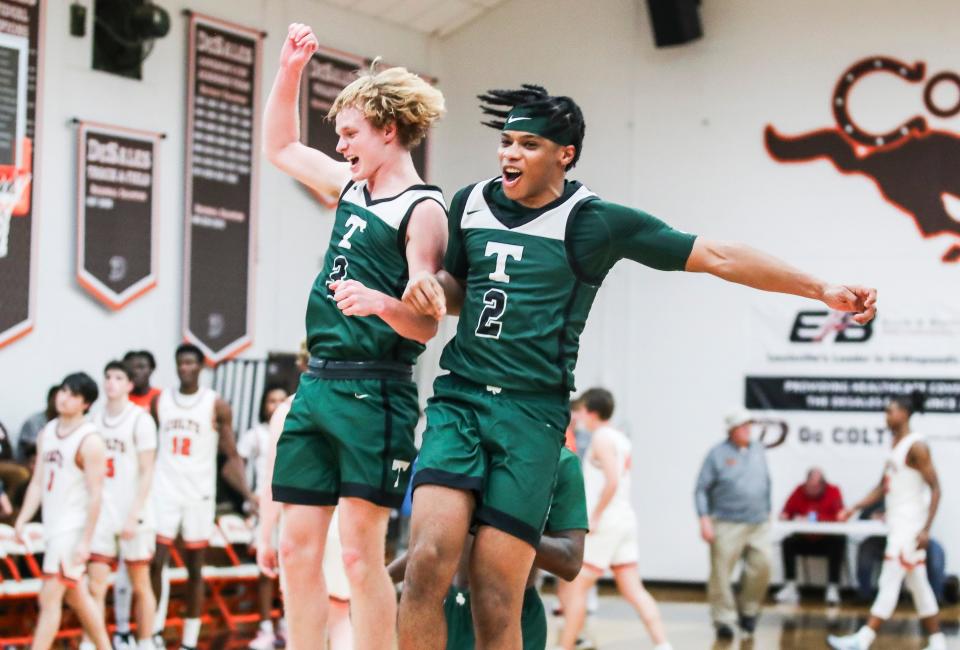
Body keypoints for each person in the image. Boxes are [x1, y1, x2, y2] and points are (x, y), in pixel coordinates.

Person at [400, 84, 876, 650]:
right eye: (505, 141)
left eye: (528, 144)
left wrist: (819, 287)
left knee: (497, 591)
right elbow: (460, 291)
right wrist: (428, 286)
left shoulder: (595, 221)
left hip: (533, 413)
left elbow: (718, 255)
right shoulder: (469, 202)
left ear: (564, 154)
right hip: (461, 399)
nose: (509, 154)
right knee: (426, 561)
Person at [263, 22, 447, 650]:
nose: (339, 146)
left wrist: (381, 303)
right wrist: (289, 69)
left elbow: (428, 316)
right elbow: (282, 147)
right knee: (293, 547)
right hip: (317, 385)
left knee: (361, 557)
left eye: (349, 134)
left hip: (377, 392)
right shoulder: (349, 188)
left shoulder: (423, 209)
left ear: (386, 130)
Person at [389, 446, 588, 650]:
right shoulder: (456, 444)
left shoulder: (560, 461)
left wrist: (499, 526)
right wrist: (380, 580)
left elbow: (570, 560)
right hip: (449, 609)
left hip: (515, 613)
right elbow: (429, 547)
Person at [149, 343, 256, 650]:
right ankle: (154, 630)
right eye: (180, 363)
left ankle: (190, 639)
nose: (185, 368)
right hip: (164, 489)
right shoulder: (161, 401)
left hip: (198, 492)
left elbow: (231, 452)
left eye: (191, 363)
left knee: (195, 566)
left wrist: (248, 493)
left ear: (201, 367)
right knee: (158, 562)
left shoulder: (215, 404)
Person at [828, 393, 946, 650]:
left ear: (903, 414)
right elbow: (883, 486)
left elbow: (936, 488)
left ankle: (863, 638)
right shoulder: (895, 444)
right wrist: (854, 507)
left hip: (910, 527)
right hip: (898, 523)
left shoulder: (917, 446)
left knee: (889, 580)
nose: (886, 416)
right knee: (919, 585)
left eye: (890, 411)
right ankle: (938, 642)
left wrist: (926, 529)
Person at [557, 389, 671, 650]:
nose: (580, 415)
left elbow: (612, 480)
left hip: (607, 520)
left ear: (592, 412)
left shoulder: (601, 438)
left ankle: (565, 646)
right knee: (633, 589)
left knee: (575, 589)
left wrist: (595, 516)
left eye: (583, 410)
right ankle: (663, 644)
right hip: (625, 518)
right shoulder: (620, 438)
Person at [14, 373, 111, 650]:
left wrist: (85, 541)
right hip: (53, 526)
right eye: (63, 391)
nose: (63, 397)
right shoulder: (48, 432)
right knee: (77, 596)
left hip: (73, 528)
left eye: (72, 394)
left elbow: (96, 495)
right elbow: (37, 483)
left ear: (86, 404)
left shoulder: (90, 440)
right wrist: (22, 518)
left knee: (49, 598)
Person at [257, 392, 353, 650]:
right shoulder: (358, 400)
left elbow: (271, 481)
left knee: (301, 625)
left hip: (302, 521)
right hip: (344, 519)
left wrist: (264, 536)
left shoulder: (290, 408)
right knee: (341, 618)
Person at [77, 362, 158, 650]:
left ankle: (146, 640)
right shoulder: (94, 421)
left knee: (140, 583)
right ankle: (94, 642)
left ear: (129, 385)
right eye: (108, 377)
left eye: (118, 377)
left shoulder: (140, 420)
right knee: (95, 586)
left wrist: (135, 512)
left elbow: (148, 470)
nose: (111, 382)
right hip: (102, 511)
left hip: (133, 512)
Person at [694, 410, 771, 641]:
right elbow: (701, 489)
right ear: (731, 430)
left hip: (758, 523)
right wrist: (704, 519)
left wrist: (768, 510)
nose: (748, 429)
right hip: (727, 522)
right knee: (721, 574)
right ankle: (724, 620)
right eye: (743, 425)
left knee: (762, 566)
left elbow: (767, 481)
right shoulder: (717, 454)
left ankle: (749, 611)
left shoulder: (758, 450)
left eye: (749, 425)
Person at [239, 384, 289, 650]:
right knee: (265, 569)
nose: (276, 405)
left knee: (288, 569)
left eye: (281, 399)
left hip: (289, 505)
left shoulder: (293, 428)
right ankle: (265, 626)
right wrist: (248, 498)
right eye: (271, 400)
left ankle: (285, 622)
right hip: (263, 506)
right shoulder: (255, 435)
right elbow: (237, 466)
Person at [774, 467, 845, 605]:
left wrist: (818, 518)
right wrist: (785, 516)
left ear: (823, 485)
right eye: (809, 485)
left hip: (825, 539)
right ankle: (790, 585)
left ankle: (833, 586)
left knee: (839, 541)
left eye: (816, 486)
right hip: (805, 538)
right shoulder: (799, 490)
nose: (812, 489)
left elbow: (840, 516)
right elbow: (786, 511)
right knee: (788, 542)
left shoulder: (833, 491)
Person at [16, 384, 58, 463]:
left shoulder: (62, 422)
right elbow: (29, 449)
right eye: (57, 399)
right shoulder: (33, 421)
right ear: (49, 399)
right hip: (29, 462)